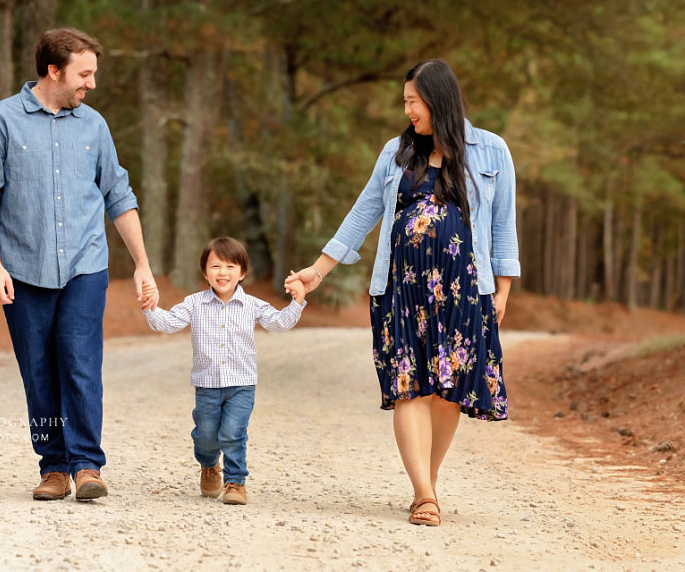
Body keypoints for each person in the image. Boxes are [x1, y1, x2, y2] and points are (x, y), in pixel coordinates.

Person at [286, 59, 519, 526]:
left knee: (447, 391)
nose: (408, 109)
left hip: (464, 291)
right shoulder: (397, 153)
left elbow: (503, 227)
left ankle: (425, 484)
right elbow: (362, 215)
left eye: (414, 101)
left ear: (438, 100)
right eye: (405, 101)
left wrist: (502, 292)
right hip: (401, 290)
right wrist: (317, 270)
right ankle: (424, 494)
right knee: (407, 385)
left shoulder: (492, 151)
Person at [0, 27, 159, 502]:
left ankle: (87, 464)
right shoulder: (1, 120)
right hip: (23, 268)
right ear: (54, 70)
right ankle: (53, 466)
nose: (91, 84)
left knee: (80, 363)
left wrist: (142, 264)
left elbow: (119, 194)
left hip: (84, 266)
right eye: (84, 74)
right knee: (37, 368)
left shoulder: (94, 126)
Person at [140, 237, 306, 505]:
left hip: (242, 385)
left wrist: (297, 301)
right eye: (215, 266)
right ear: (205, 272)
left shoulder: (252, 305)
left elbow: (279, 323)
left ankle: (235, 482)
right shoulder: (194, 303)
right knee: (206, 436)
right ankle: (209, 465)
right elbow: (169, 323)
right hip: (207, 385)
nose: (223, 272)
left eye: (230, 266)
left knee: (233, 433)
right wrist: (150, 307)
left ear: (242, 273)